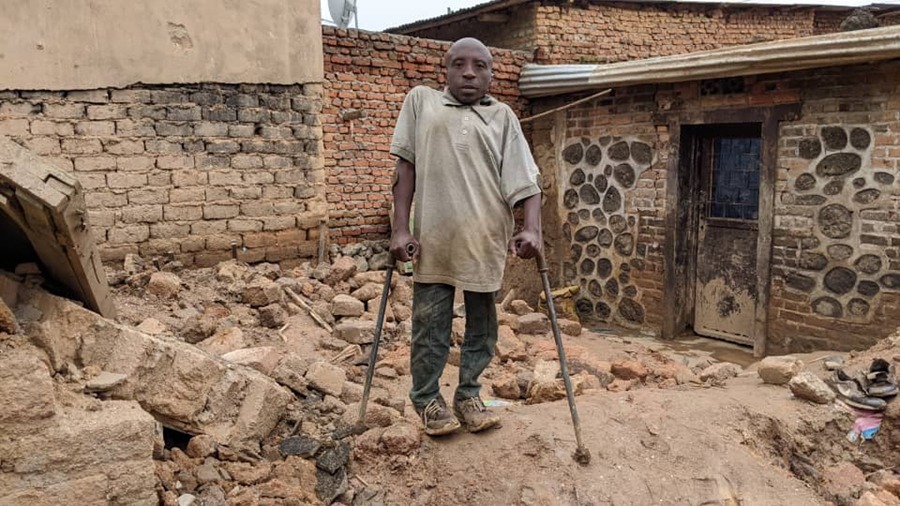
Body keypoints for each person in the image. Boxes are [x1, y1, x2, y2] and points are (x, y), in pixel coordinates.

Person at [388, 37, 543, 436]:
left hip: (485, 238)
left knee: (482, 326)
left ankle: (469, 394)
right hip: (434, 241)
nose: (469, 72)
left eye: (480, 65)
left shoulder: (503, 116)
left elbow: (526, 181)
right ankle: (426, 399)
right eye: (459, 64)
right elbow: (405, 170)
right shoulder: (422, 102)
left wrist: (532, 228)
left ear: (492, 74)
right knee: (429, 324)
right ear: (446, 70)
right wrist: (400, 228)